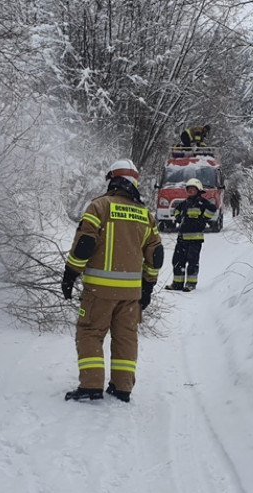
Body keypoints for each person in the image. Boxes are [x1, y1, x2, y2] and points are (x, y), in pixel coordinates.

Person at [61, 159, 164, 402]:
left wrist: (70, 273)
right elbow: (156, 255)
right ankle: (122, 387)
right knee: (125, 338)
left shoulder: (100, 207)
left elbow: (85, 244)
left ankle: (91, 385)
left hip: (99, 291)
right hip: (131, 295)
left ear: (112, 179)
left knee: (89, 333)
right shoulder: (145, 215)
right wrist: (148, 285)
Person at [165, 178, 217, 291]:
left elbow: (213, 209)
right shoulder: (184, 203)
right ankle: (177, 284)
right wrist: (178, 218)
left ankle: (190, 284)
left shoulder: (202, 202)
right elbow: (176, 211)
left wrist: (203, 219)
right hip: (182, 238)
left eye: (193, 189)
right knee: (178, 261)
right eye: (189, 189)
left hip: (195, 239)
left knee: (192, 262)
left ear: (198, 190)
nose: (190, 191)